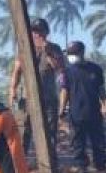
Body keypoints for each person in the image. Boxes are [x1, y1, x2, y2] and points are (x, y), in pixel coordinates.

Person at [8, 18, 65, 165]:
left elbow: (58, 68)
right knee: (23, 131)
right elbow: (17, 71)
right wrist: (12, 90)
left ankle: (50, 164)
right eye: (34, 31)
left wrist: (48, 51)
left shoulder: (54, 48)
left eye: (40, 31)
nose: (37, 35)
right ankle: (19, 164)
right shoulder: (24, 48)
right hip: (27, 99)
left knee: (49, 133)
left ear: (46, 33)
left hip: (48, 99)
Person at [59, 41, 106, 172]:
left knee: (98, 141)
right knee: (78, 142)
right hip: (76, 113)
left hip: (94, 112)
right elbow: (65, 91)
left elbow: (101, 90)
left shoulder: (96, 70)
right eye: (69, 54)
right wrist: (61, 109)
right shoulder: (67, 72)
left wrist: (105, 106)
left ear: (81, 53)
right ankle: (81, 166)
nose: (71, 56)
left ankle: (100, 166)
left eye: (73, 53)